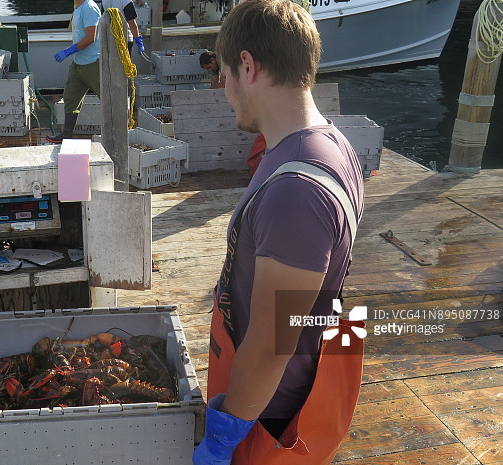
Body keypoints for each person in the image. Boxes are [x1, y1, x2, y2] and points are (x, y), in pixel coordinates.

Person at [193, 0, 365, 464]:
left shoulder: (297, 193)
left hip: (265, 423)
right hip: (264, 402)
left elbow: (271, 345)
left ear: (247, 66)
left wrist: (223, 438)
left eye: (225, 74)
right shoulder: (331, 144)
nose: (224, 89)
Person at [47, 0, 102, 144]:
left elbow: (90, 37)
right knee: (70, 98)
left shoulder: (89, 7)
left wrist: (68, 51)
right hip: (78, 64)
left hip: (93, 64)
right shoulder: (77, 7)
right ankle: (66, 134)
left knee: (107, 99)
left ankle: (118, 133)